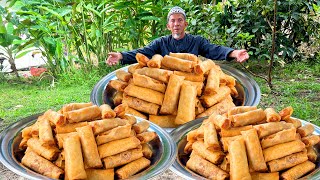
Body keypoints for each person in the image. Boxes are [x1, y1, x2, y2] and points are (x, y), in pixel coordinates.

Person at [106, 6, 249, 66]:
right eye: (172, 21)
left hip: (192, 82)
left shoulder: (196, 41)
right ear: (168, 26)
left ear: (185, 24)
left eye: (180, 20)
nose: (176, 24)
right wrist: (121, 55)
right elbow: (143, 52)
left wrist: (234, 53)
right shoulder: (160, 42)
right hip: (168, 83)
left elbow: (214, 49)